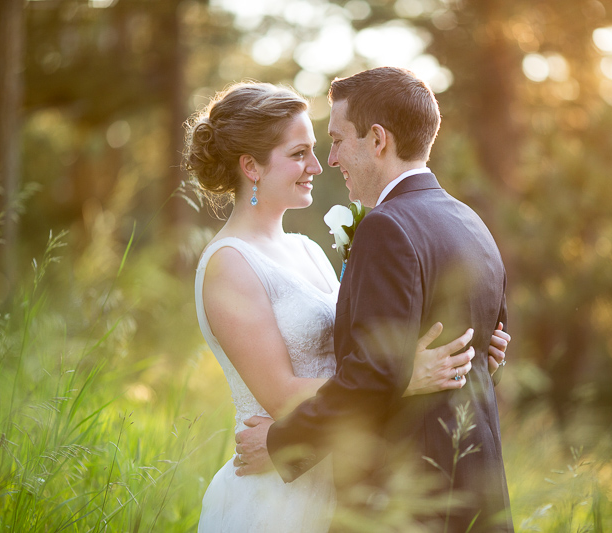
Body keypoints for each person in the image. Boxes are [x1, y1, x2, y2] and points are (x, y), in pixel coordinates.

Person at [184, 82, 511, 532]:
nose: (320, 165)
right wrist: (405, 376)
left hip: (341, 472)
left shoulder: (309, 250)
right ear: (251, 166)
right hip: (280, 495)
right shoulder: (229, 265)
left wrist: (470, 346)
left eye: (323, 147)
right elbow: (280, 395)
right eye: (299, 154)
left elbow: (366, 346)